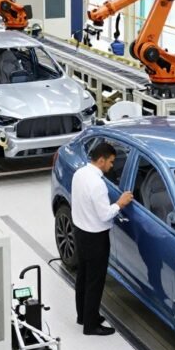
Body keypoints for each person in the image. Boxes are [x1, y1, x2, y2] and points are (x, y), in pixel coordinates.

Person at [71, 142, 134, 337]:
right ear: (101, 160)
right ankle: (90, 326)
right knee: (95, 282)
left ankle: (83, 315)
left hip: (80, 232)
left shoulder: (79, 174)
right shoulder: (97, 184)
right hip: (95, 238)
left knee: (83, 276)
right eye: (111, 162)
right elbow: (105, 215)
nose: (112, 166)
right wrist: (120, 204)